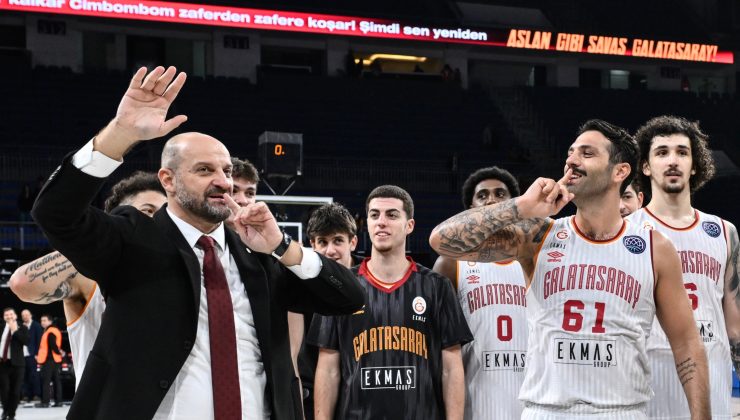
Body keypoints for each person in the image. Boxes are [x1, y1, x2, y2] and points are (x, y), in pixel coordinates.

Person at [30, 65, 365, 420]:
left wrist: (283, 246)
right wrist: (120, 134)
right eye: (204, 170)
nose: (222, 181)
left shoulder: (260, 257)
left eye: (226, 170)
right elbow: (54, 212)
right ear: (168, 180)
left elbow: (349, 298)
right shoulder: (133, 239)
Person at [430, 119, 710, 419]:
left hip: (621, 410)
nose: (572, 161)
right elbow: (442, 241)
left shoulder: (656, 248)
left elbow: (687, 344)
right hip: (547, 409)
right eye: (571, 153)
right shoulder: (537, 237)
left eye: (587, 154)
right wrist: (522, 206)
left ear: (620, 172)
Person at [308, 185, 472, 420]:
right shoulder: (340, 288)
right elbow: (328, 369)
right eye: (374, 215)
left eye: (391, 215)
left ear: (410, 226)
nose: (381, 222)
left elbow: (451, 367)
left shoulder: (437, 286)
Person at [10, 171, 167, 389]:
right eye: (147, 211)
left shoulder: (183, 276)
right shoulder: (89, 276)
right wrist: (100, 245)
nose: (156, 222)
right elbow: (23, 283)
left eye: (164, 215)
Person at [627, 115, 739, 420]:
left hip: (711, 380)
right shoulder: (625, 232)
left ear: (695, 164)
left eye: (682, 152)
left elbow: (735, 327)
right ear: (646, 166)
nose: (672, 160)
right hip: (645, 385)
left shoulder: (724, 231)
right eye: (662, 152)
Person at [433, 166, 527, 420]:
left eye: (500, 194)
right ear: (469, 210)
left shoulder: (533, 261)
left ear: (514, 206)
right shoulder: (451, 264)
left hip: (533, 403)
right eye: (482, 195)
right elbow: (438, 346)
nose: (492, 200)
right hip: (475, 403)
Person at [292, 203, 359, 419]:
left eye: (338, 240)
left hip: (359, 396)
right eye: (322, 242)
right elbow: (292, 355)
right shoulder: (297, 288)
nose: (330, 250)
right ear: (312, 245)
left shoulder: (370, 285)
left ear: (353, 242)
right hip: (311, 398)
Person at [0, 308, 29, 420]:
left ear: (15, 316)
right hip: (3, 364)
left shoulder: (23, 327)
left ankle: (11, 414)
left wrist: (15, 331)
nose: (9, 316)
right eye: (6, 314)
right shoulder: (1, 327)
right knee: (4, 389)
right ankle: (5, 411)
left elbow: (26, 341)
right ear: (4, 317)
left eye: (11, 314)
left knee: (15, 391)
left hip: (18, 364)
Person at [36, 314, 63, 408]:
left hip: (49, 359)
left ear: (50, 321)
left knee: (46, 381)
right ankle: (58, 401)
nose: (42, 322)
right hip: (54, 359)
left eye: (44, 320)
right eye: (41, 321)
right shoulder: (52, 330)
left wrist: (58, 352)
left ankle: (45, 402)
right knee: (56, 381)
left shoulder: (50, 331)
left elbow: (53, 344)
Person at [20, 309, 42, 402]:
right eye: (23, 315)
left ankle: (36, 395)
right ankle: (25, 395)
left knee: (34, 375)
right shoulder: (20, 326)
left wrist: (37, 354)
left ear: (30, 315)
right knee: (24, 376)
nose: (25, 317)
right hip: (22, 355)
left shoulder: (36, 325)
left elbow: (39, 341)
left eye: (26, 315)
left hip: (32, 355)